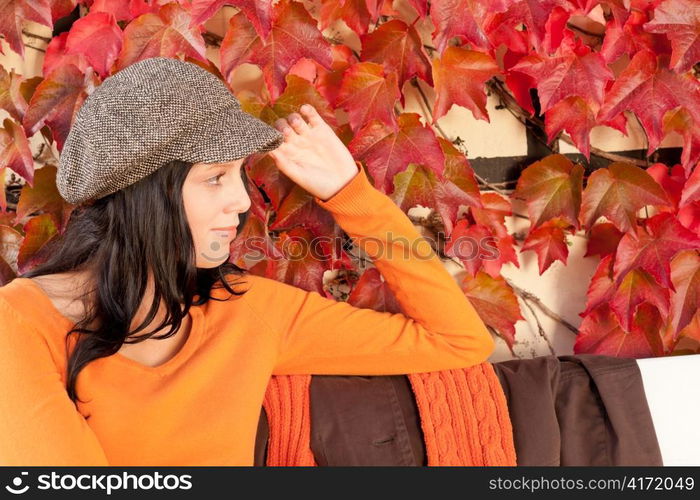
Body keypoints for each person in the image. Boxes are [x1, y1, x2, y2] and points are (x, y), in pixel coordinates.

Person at [0, 57, 495, 466]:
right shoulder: (20, 322)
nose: (241, 202)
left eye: (240, 175)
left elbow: (458, 341)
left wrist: (352, 196)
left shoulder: (251, 310)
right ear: (144, 195)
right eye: (214, 177)